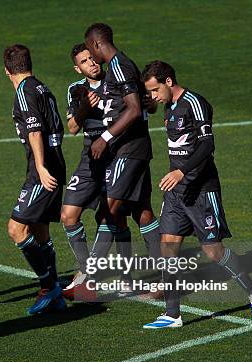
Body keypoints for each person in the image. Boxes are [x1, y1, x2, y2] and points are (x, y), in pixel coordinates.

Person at [141, 60, 252, 328]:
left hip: (201, 190)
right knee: (168, 248)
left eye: (154, 90)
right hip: (176, 193)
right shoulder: (168, 106)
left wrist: (182, 172)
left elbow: (207, 144)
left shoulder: (195, 103)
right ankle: (173, 313)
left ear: (169, 82)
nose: (153, 96)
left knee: (213, 251)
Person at [83, 23, 161, 268]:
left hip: (130, 150)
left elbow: (135, 109)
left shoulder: (119, 66)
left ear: (96, 44)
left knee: (109, 209)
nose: (91, 56)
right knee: (142, 211)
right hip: (132, 149)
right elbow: (145, 102)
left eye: (89, 48)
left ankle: (88, 277)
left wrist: (104, 138)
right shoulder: (120, 67)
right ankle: (168, 278)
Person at [61, 43, 132, 299]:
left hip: (116, 154)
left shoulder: (115, 80)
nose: (91, 63)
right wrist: (83, 110)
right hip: (90, 156)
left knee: (113, 217)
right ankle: (85, 270)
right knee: (68, 215)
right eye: (84, 61)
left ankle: (124, 277)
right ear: (77, 67)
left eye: (92, 58)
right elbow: (71, 128)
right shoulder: (75, 89)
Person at [3, 44, 67, 315]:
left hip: (43, 170)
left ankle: (48, 286)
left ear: (7, 70)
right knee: (41, 230)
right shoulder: (42, 87)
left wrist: (40, 166)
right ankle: (55, 296)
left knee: (16, 229)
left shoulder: (24, 92)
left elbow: (35, 131)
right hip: (55, 163)